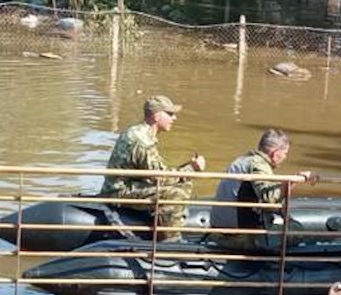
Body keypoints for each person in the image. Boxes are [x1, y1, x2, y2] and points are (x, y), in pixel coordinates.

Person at [100, 96, 205, 237]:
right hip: (119, 193)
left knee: (183, 183)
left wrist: (187, 168)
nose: (174, 118)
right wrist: (191, 169)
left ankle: (169, 223)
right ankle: (169, 241)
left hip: (131, 185)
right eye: (170, 114)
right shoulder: (142, 141)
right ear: (157, 116)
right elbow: (159, 178)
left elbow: (157, 171)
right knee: (175, 193)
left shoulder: (141, 133)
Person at [212, 129, 317, 252]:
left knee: (283, 223)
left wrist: (283, 213)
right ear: (276, 154)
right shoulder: (258, 165)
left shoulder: (244, 160)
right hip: (238, 237)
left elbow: (261, 198)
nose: (285, 157)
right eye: (285, 153)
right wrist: (298, 178)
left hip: (219, 231)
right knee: (298, 230)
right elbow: (270, 198)